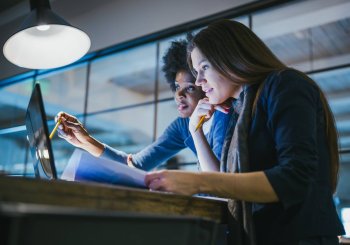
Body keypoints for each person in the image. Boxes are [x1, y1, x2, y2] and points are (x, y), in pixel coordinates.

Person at [145, 20, 345, 244]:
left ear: (229, 57)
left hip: (299, 236)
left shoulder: (284, 84)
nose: (200, 82)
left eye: (204, 68)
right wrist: (195, 130)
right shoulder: (239, 109)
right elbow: (225, 186)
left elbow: (294, 177)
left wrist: (199, 182)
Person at [56, 39, 231, 171]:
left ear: (205, 85)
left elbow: (220, 181)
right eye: (177, 87)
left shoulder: (224, 114)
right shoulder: (183, 126)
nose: (179, 95)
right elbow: (134, 165)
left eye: (190, 88)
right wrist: (84, 141)